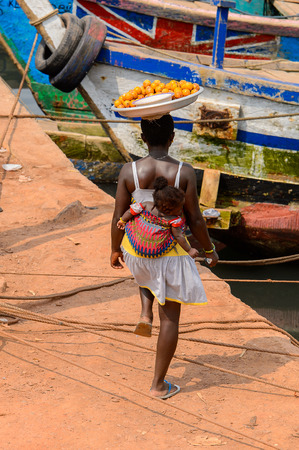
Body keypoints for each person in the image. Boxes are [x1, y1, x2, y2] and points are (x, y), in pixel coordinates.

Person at [111, 114, 218, 400]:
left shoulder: (128, 171)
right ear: (173, 138)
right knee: (169, 320)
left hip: (136, 250)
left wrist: (114, 248)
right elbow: (195, 219)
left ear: (142, 138)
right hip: (169, 254)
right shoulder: (183, 172)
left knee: (145, 273)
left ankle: (145, 311)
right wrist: (209, 250)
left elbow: (118, 215)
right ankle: (158, 385)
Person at [117, 175, 200, 260]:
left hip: (138, 246)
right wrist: (189, 250)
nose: (181, 211)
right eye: (180, 208)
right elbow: (178, 236)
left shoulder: (146, 205)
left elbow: (130, 211)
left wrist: (122, 220)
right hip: (156, 250)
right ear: (169, 210)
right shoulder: (174, 220)